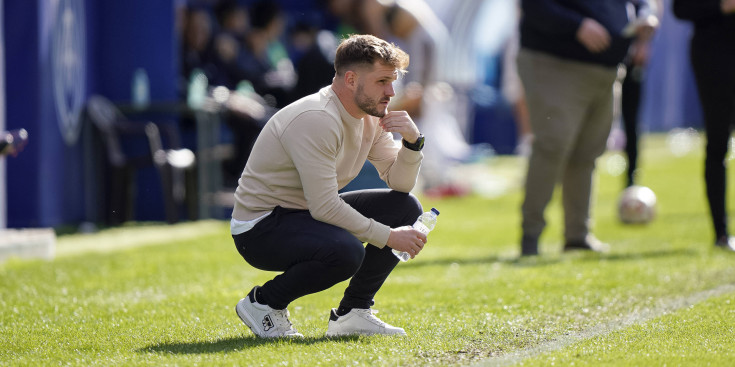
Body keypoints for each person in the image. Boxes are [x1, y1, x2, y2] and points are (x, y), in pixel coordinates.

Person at [231, 34, 427, 338]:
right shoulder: (318, 118)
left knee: (405, 207)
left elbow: (399, 182)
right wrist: (389, 237)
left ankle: (354, 313)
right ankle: (264, 304)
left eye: (394, 80)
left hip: (303, 214)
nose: (391, 92)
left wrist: (413, 144)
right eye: (382, 81)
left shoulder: (371, 115)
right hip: (260, 228)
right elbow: (324, 206)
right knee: (346, 252)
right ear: (350, 79)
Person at [517, 0, 657, 256]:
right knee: (553, 144)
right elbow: (534, 5)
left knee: (588, 151)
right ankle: (531, 235)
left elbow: (641, 2)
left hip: (607, 69)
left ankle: (577, 235)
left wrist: (646, 16)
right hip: (555, 62)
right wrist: (577, 25)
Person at [673, 0, 735, 251]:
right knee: (718, 142)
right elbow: (681, 8)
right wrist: (722, 6)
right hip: (714, 58)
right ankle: (721, 233)